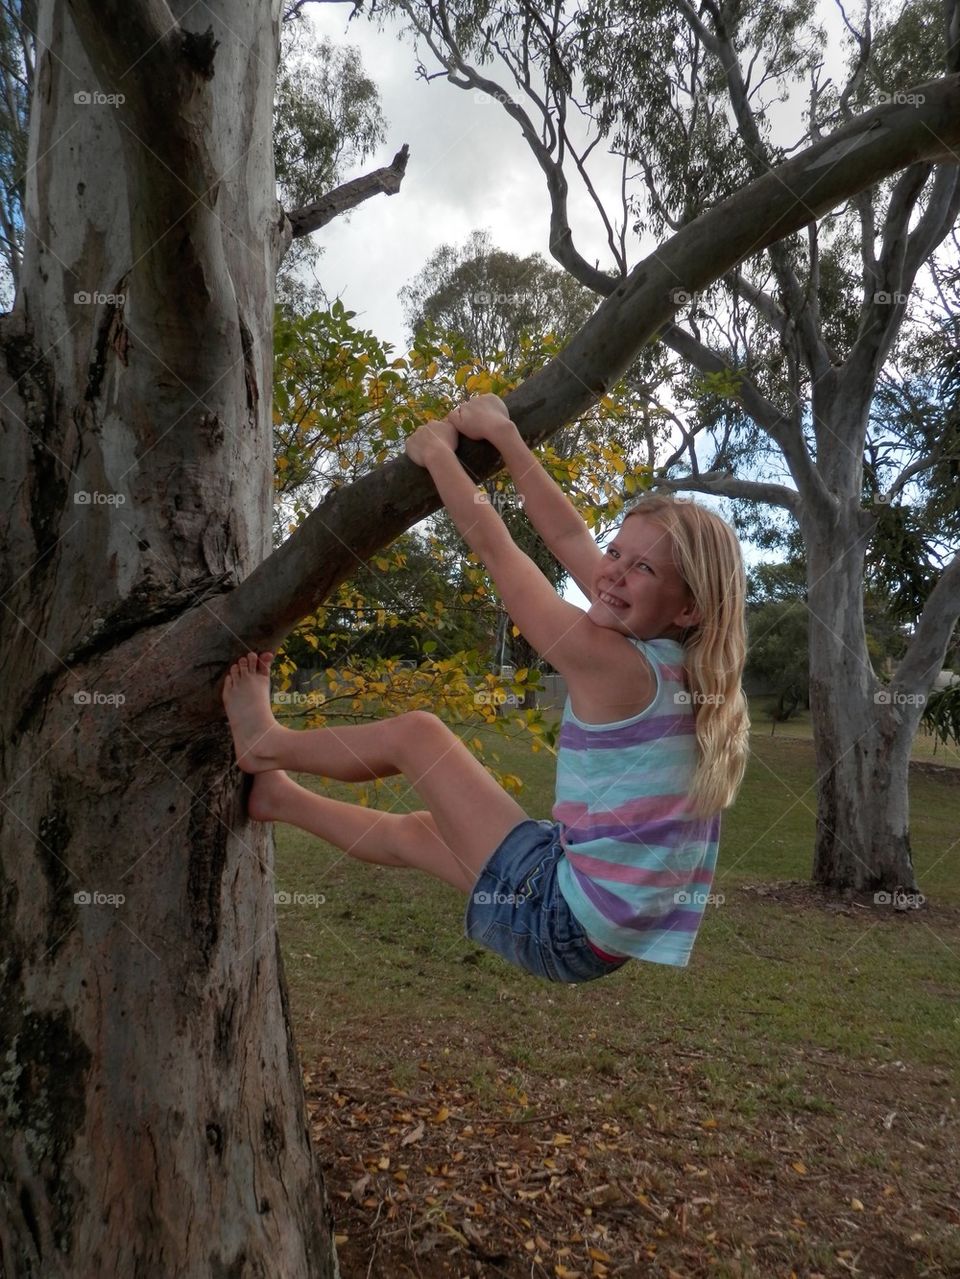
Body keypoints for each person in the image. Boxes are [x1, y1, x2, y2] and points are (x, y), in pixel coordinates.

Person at [222, 394, 750, 983]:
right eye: (616, 552)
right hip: (589, 924)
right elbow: (572, 535)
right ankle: (278, 800)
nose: (615, 573)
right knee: (419, 835)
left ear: (688, 608)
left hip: (562, 916)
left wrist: (437, 457)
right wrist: (505, 437)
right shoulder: (685, 664)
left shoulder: (618, 666)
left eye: (644, 569)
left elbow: (499, 552)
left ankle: (263, 743)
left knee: (418, 737)